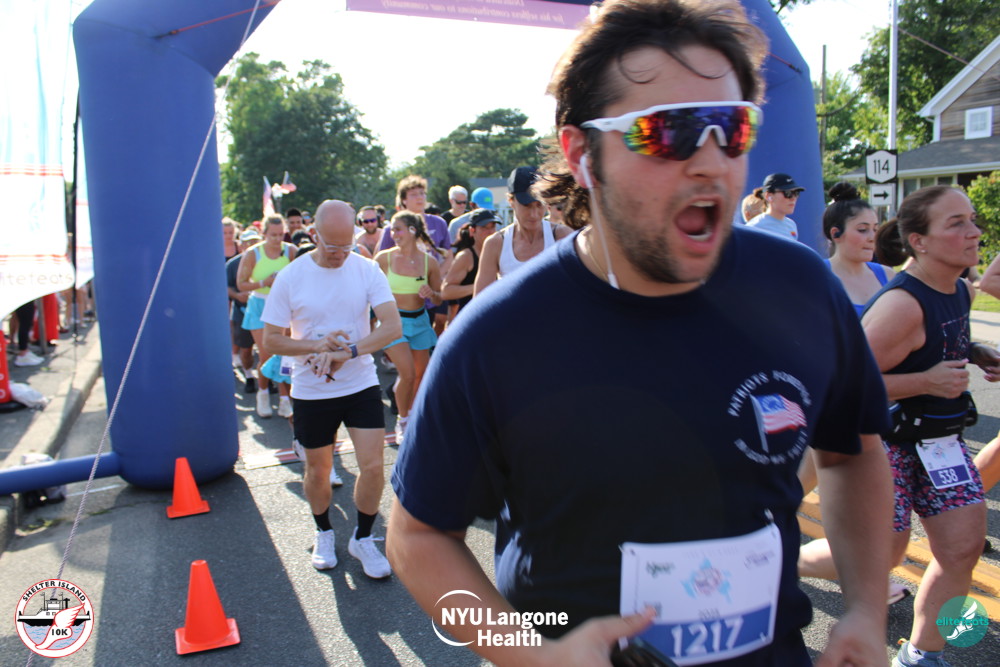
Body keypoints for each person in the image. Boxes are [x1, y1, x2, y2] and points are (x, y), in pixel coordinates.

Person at [388, 2, 894, 665]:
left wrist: (864, 608)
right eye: (667, 132)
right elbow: (418, 538)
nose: (710, 162)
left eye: (732, 128)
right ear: (583, 154)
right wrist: (531, 655)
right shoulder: (501, 335)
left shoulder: (800, 287)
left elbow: (853, 451)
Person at [862, 187, 998, 667]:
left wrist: (973, 352)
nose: (975, 232)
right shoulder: (902, 305)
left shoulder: (958, 288)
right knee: (883, 555)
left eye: (973, 219)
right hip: (884, 444)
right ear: (918, 241)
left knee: (963, 548)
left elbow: (930, 345)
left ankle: (922, 655)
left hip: (940, 441)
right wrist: (924, 380)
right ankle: (792, 562)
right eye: (957, 223)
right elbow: (841, 383)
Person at [261, 199, 401, 578]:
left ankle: (363, 538)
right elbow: (271, 339)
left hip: (360, 382)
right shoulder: (291, 276)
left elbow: (392, 327)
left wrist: (348, 351)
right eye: (332, 246)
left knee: (372, 466)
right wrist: (316, 346)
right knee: (319, 471)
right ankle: (324, 531)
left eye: (347, 246)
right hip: (312, 390)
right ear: (314, 235)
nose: (340, 254)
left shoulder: (367, 269)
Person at [795, 183, 904, 600]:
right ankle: (769, 551)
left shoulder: (885, 276)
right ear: (835, 234)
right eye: (862, 229)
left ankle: (862, 580)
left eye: (874, 228)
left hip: (880, 409)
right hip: (831, 407)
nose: (872, 237)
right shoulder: (818, 276)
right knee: (795, 492)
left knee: (853, 503)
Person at [374, 211, 444, 446]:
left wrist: (431, 293)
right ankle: (402, 421)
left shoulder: (429, 262)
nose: (393, 234)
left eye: (398, 229)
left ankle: (412, 414)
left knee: (420, 375)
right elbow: (367, 290)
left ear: (413, 230)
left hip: (420, 322)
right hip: (393, 322)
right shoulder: (383, 259)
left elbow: (439, 298)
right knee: (408, 373)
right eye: (392, 229)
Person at [473, 166, 572, 295]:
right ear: (511, 201)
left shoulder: (562, 236)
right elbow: (480, 299)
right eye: (526, 206)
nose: (534, 214)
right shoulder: (495, 244)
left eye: (539, 205)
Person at [237, 215, 297, 418]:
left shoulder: (291, 251)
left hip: (286, 306)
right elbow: (241, 284)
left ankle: (284, 399)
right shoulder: (253, 254)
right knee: (267, 354)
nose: (277, 239)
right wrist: (265, 282)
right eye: (273, 235)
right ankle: (262, 394)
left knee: (286, 355)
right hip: (260, 305)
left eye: (281, 234)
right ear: (264, 233)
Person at [378, 175, 452, 335]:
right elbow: (381, 262)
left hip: (431, 286)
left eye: (422, 193)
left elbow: (449, 253)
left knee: (439, 321)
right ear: (403, 200)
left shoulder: (439, 223)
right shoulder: (392, 228)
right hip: (402, 297)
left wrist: (435, 274)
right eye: (413, 194)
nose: (420, 197)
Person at [440, 209, 499, 314]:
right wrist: (480, 286)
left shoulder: (501, 251)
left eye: (492, 227)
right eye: (484, 228)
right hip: (472, 315)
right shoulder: (466, 257)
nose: (490, 232)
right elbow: (446, 292)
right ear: (472, 231)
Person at [227, 229, 262, 393]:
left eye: (255, 241)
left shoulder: (266, 261)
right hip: (242, 311)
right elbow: (226, 286)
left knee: (266, 350)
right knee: (246, 349)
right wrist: (237, 295)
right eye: (248, 242)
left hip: (263, 312)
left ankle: (266, 381)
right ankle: (249, 376)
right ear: (241, 245)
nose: (251, 245)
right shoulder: (232, 264)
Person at [745, 173, 804, 241]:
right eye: (788, 193)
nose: (793, 198)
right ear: (768, 196)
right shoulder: (754, 227)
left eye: (796, 193)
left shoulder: (791, 225)